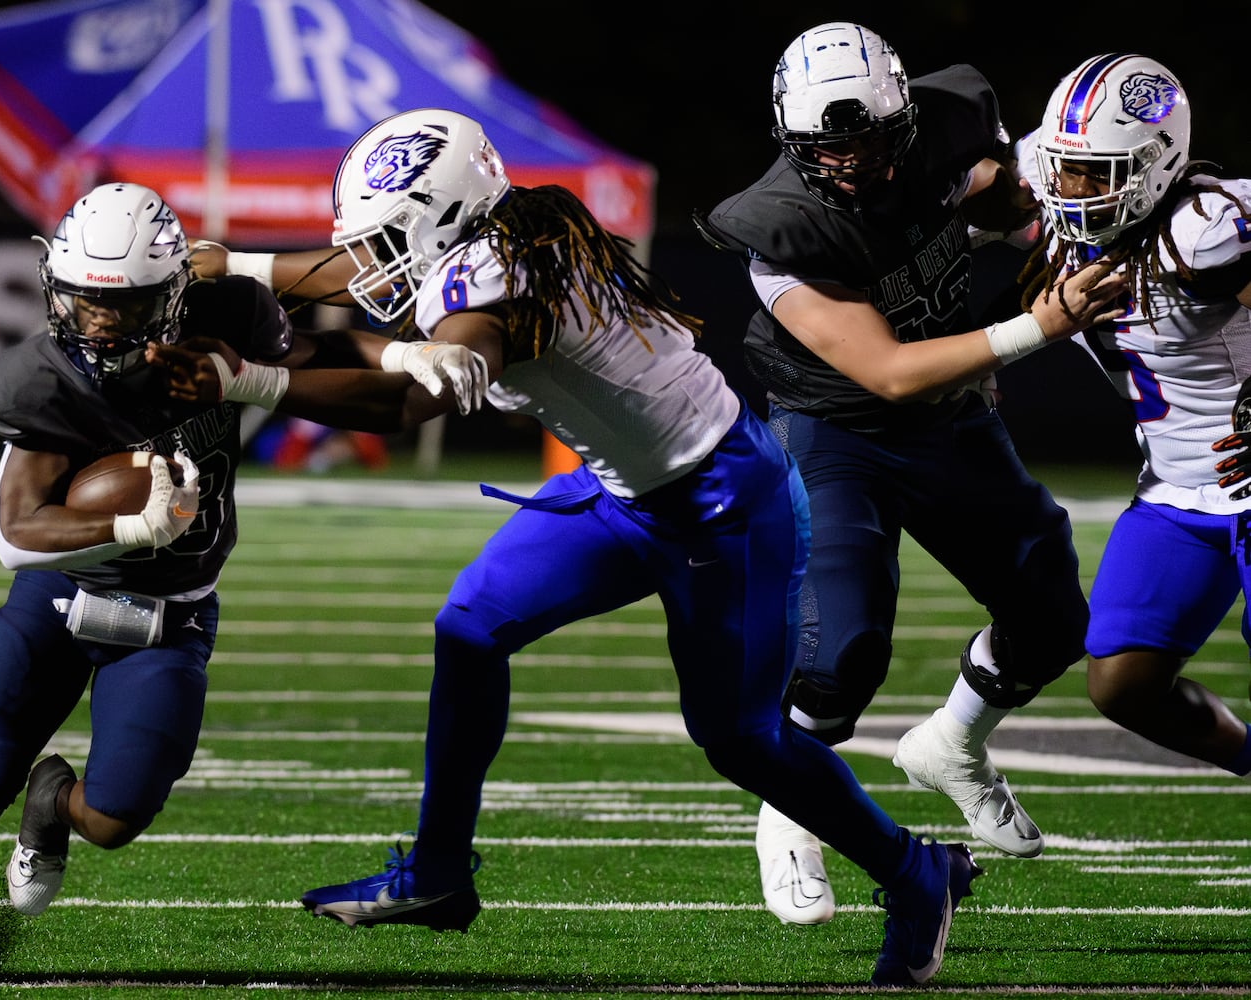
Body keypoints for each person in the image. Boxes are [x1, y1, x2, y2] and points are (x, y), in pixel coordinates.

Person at [154, 108, 1108, 986]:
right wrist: (233, 262)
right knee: (470, 627)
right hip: (624, 492)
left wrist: (250, 382)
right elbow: (363, 276)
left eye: (382, 237)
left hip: (721, 503)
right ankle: (440, 871)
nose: (363, 260)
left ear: (443, 218)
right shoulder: (509, 222)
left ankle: (914, 872)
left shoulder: (497, 279)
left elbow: (414, 399)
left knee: (739, 739)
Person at [0, 180, 472, 986]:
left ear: (177, 293)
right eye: (83, 301)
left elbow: (315, 357)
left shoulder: (227, 313)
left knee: (114, 819)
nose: (99, 320)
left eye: (122, 304)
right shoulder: (42, 376)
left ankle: (51, 799)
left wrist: (404, 352)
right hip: (57, 600)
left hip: (169, 612)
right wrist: (130, 526)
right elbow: (16, 533)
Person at [694, 21, 1126, 925]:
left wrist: (1035, 232)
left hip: (949, 418)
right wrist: (1038, 326)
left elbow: (992, 191)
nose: (850, 163)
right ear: (792, 141)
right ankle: (787, 811)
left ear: (903, 120)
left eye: (869, 140)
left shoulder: (946, 122)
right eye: (829, 147)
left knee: (1052, 617)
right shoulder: (783, 228)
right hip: (837, 428)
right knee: (843, 650)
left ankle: (952, 746)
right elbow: (889, 370)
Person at [1015, 56, 1251, 785]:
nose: (1072, 188)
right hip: (1176, 492)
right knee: (1121, 681)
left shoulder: (1204, 230)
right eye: (1065, 169)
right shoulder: (1055, 206)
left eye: (1097, 172)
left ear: (1157, 163)